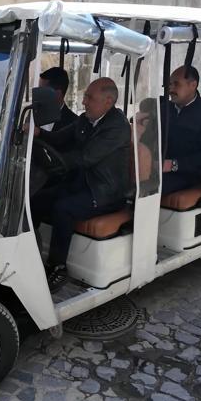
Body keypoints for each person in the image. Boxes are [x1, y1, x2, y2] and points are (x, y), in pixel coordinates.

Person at [31, 77, 131, 290]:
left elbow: (86, 157)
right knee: (35, 199)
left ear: (108, 101)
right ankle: (30, 252)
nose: (84, 102)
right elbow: (59, 139)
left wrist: (54, 162)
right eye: (85, 96)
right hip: (83, 184)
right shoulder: (86, 119)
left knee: (63, 208)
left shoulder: (117, 127)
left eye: (89, 98)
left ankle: (57, 267)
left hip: (105, 192)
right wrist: (38, 133)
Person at [161, 66, 201, 194]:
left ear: (193, 85)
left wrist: (173, 164)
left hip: (189, 174)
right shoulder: (163, 109)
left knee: (145, 189)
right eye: (169, 84)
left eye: (176, 84)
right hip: (158, 169)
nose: (170, 89)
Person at [38, 67, 78, 133]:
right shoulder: (33, 116)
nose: (38, 94)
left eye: (42, 90)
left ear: (57, 94)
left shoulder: (74, 123)